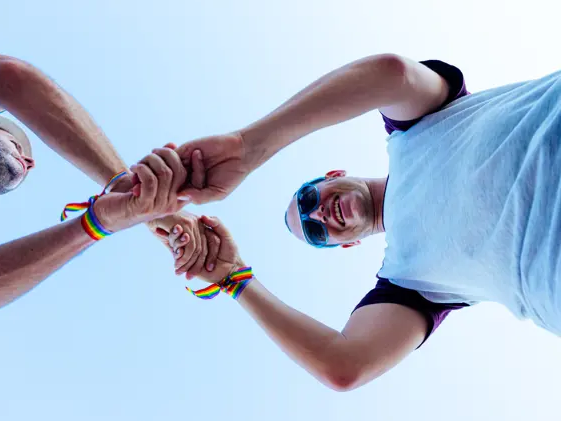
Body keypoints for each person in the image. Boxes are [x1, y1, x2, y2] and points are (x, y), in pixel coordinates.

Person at [162, 53, 561, 391]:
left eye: (308, 199)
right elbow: (344, 366)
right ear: (344, 245)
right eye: (315, 230)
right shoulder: (409, 284)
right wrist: (234, 277)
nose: (318, 214)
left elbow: (392, 73)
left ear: (332, 176)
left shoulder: (415, 126)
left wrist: (249, 146)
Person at [0, 43, 217, 330]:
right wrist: (128, 187)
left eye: (27, 157)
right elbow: (9, 78)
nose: (30, 162)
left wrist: (99, 222)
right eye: (20, 142)